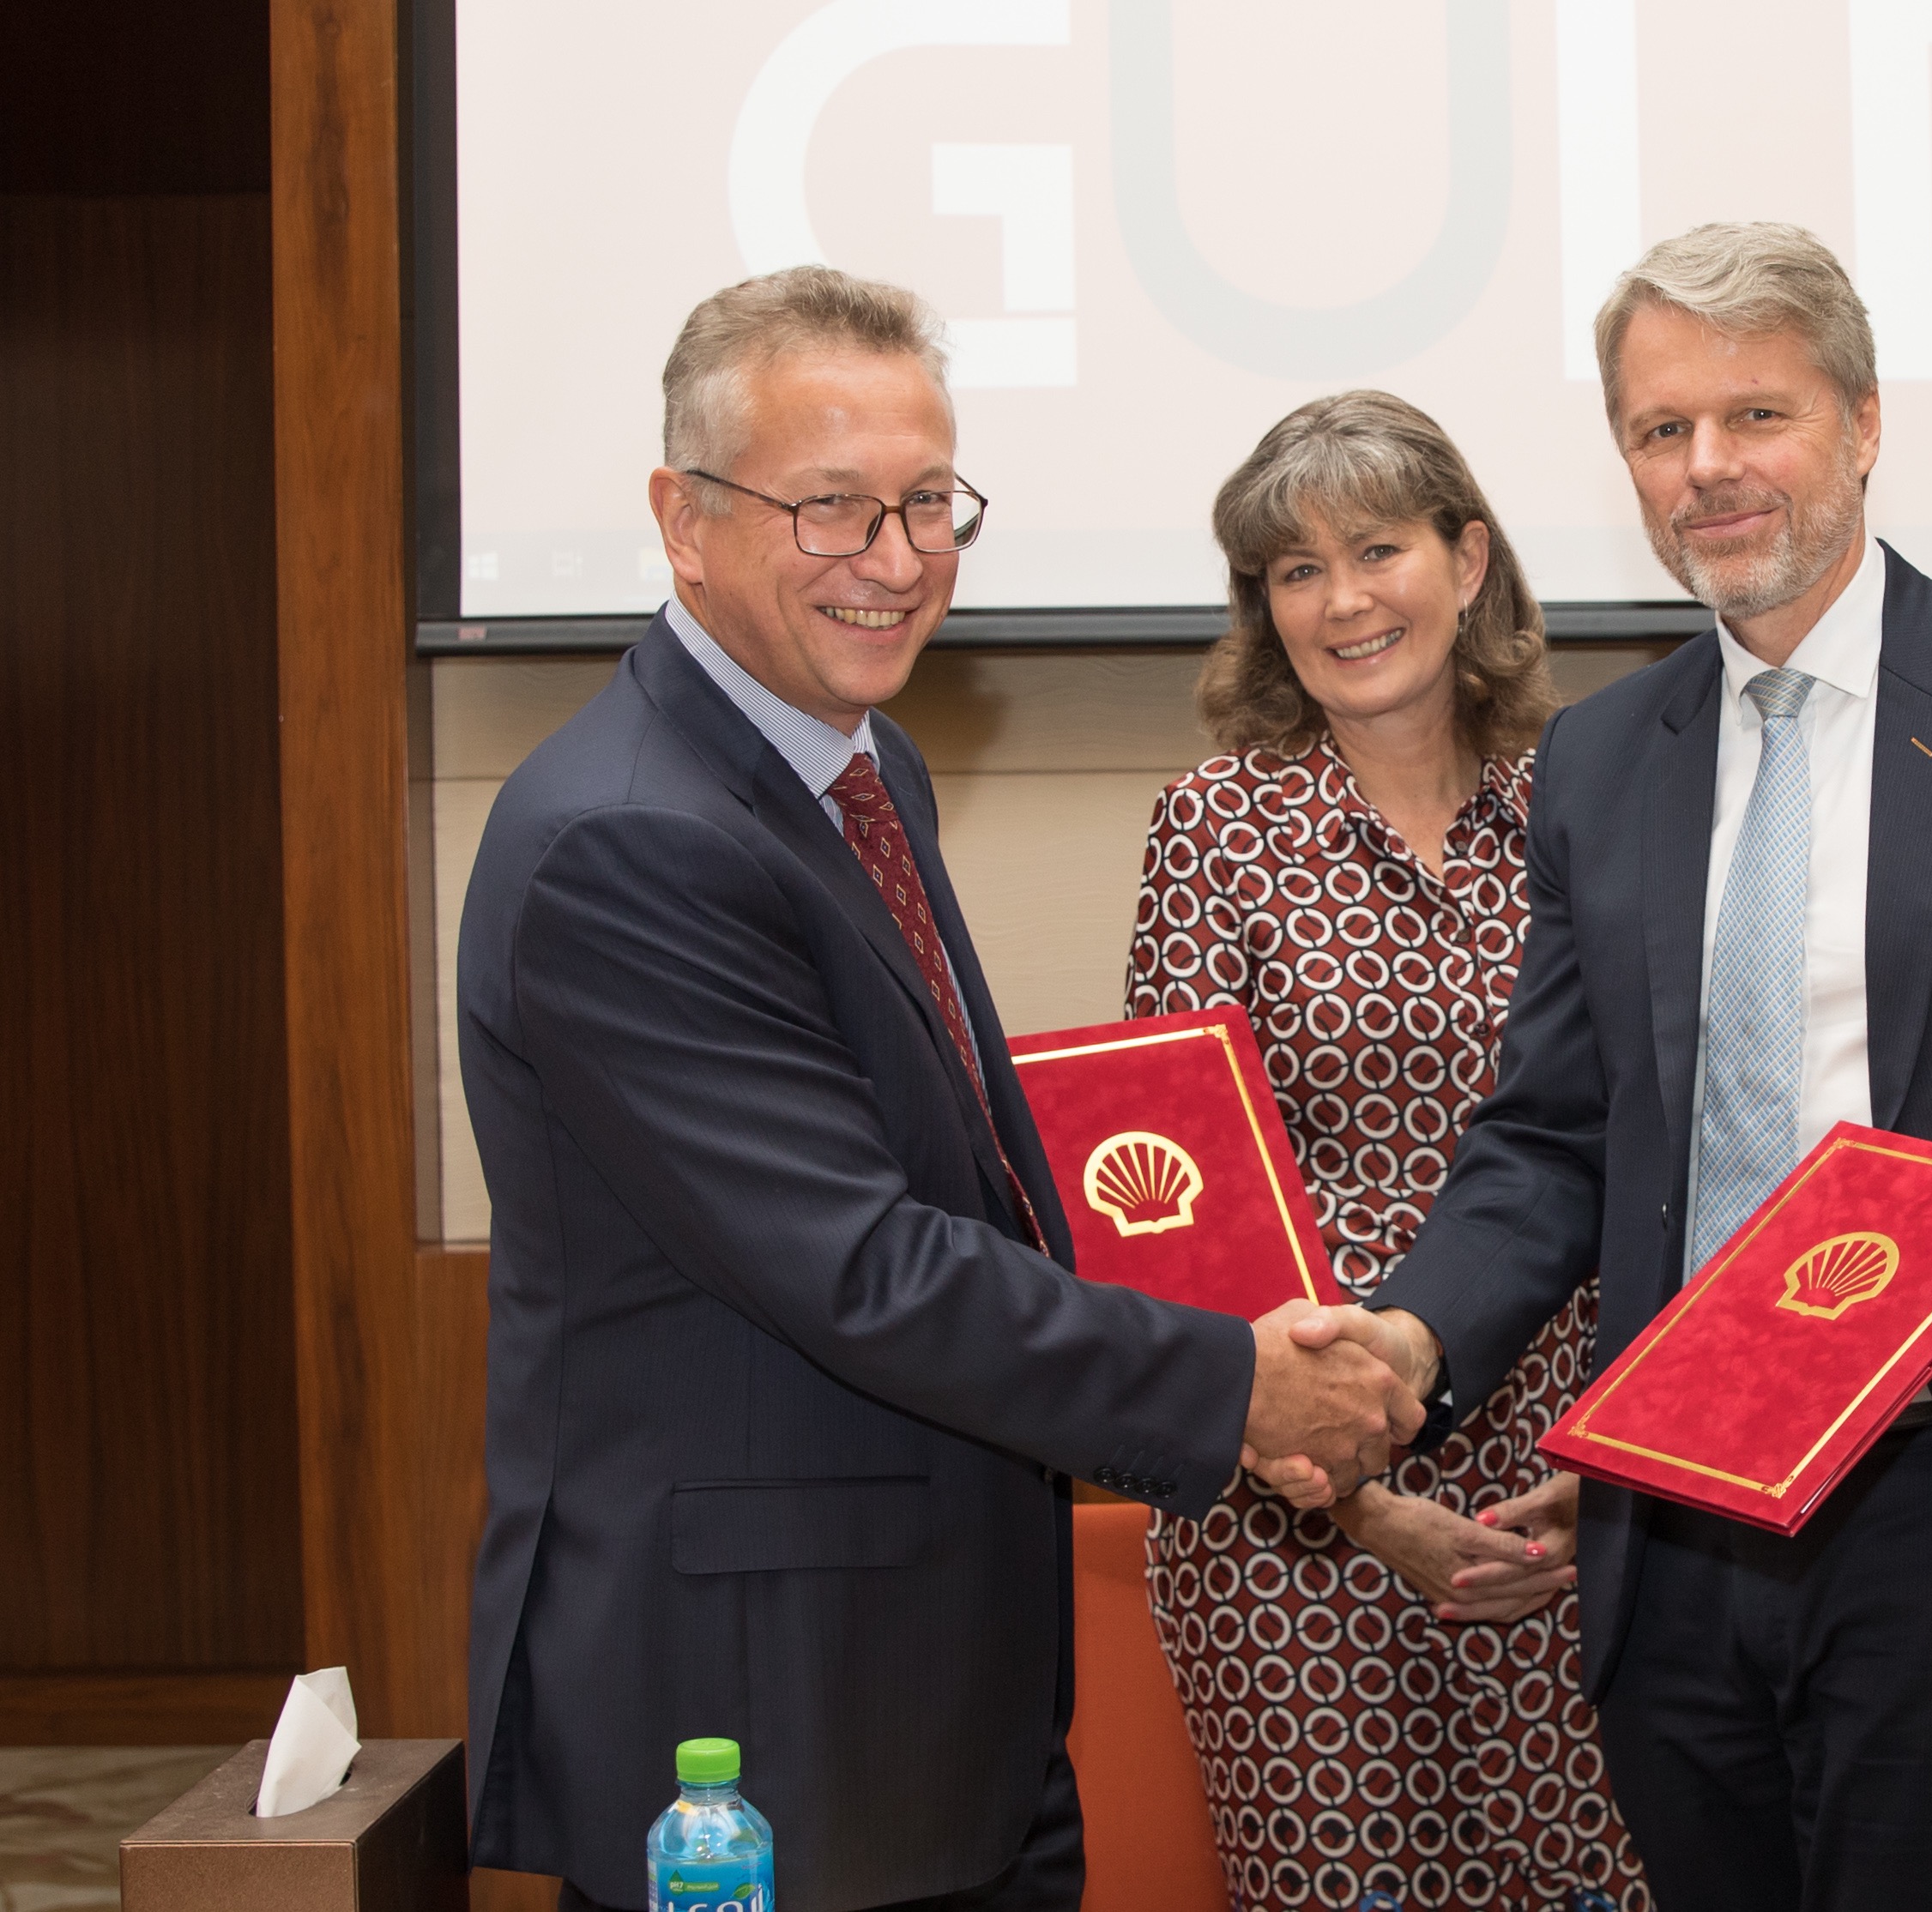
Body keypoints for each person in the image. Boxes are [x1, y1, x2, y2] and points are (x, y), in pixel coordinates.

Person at [1274, 224, 1932, 1909]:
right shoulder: (1606, 760)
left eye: (1753, 415)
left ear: (1857, 421)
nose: (1707, 469)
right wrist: (1412, 1336)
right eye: (1658, 431)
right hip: (1673, 1516)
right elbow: (1554, 1136)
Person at [456, 268, 1420, 1912]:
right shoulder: (629, 837)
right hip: (761, 1728)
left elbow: (968, 1177)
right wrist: (1233, 1389)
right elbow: (865, 1264)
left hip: (928, 1691)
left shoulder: (854, 759)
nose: (897, 561)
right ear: (682, 520)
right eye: (832, 508)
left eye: (926, 503)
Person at [1126, 392, 1649, 1912]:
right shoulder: (1216, 825)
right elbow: (1180, 1215)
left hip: (1568, 1492)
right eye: (1294, 571)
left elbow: (1661, 1143)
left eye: (1377, 548)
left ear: (1468, 557)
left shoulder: (1597, 801)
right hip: (1293, 1516)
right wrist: (1346, 1494)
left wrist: (1617, 1477)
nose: (1343, 599)